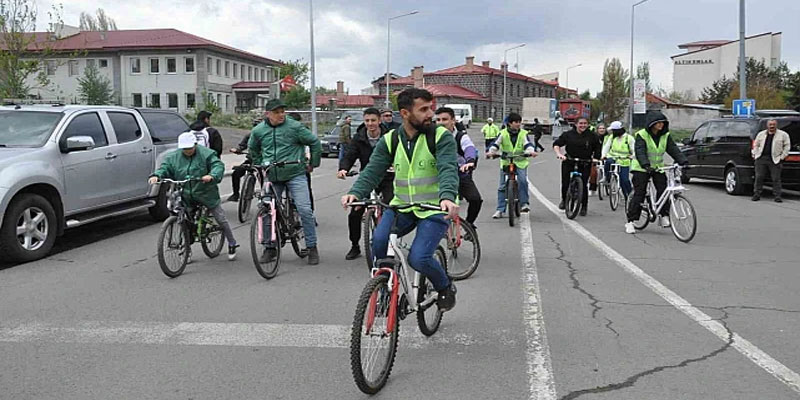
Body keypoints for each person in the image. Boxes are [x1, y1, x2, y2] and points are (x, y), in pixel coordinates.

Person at [341, 88, 460, 312]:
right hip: (402, 207)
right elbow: (372, 171)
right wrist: (356, 192)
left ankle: (445, 287)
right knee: (378, 240)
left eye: (431, 108)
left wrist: (446, 197)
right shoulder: (391, 139)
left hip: (434, 208)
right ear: (405, 113)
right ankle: (384, 290)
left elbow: (448, 170)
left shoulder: (440, 137)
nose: (430, 114)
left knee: (419, 258)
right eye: (423, 109)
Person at [249, 99, 322, 265]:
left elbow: (314, 142)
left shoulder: (294, 127)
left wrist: (313, 163)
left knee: (304, 209)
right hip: (272, 175)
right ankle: (269, 247)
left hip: (295, 173)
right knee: (266, 209)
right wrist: (260, 163)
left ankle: (311, 246)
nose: (281, 115)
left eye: (283, 111)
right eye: (277, 112)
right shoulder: (259, 130)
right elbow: (253, 148)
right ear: (267, 114)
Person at [149, 132, 238, 260]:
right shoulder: (173, 157)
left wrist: (212, 175)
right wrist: (156, 175)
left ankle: (232, 242)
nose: (187, 151)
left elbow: (217, 165)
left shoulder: (207, 154)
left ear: (195, 145)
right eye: (184, 149)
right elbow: (165, 167)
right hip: (186, 194)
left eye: (190, 148)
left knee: (220, 218)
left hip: (206, 193)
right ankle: (186, 249)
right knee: (184, 220)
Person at [337, 108, 393, 260]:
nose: (370, 124)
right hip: (367, 179)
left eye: (373, 120)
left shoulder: (390, 136)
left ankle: (392, 244)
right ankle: (355, 245)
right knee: (355, 212)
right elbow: (350, 154)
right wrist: (343, 169)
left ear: (379, 120)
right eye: (367, 121)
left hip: (388, 177)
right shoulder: (359, 137)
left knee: (392, 208)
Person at [625, 111, 688, 234]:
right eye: (658, 123)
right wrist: (646, 165)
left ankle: (663, 216)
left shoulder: (665, 135)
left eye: (663, 123)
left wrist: (683, 161)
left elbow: (673, 149)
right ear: (651, 124)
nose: (661, 125)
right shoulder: (641, 135)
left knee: (663, 189)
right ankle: (630, 221)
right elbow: (640, 151)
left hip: (658, 167)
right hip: (641, 168)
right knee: (640, 193)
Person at [435, 107, 483, 224]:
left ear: (453, 120)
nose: (441, 123)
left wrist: (470, 161)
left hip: (459, 173)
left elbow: (469, 148)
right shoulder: (432, 136)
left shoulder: (460, 136)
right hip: (438, 175)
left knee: (475, 199)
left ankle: (469, 225)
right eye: (438, 120)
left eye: (445, 119)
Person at [487, 112, 538, 218]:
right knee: (502, 186)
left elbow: (527, 144)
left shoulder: (523, 133)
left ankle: (524, 203)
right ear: (510, 123)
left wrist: (531, 151)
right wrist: (491, 152)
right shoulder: (503, 133)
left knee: (523, 181)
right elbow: (495, 144)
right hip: (506, 161)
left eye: (519, 122)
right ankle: (500, 209)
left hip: (520, 161)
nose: (518, 124)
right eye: (516, 122)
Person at [553, 117, 602, 216]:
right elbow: (557, 144)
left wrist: (596, 158)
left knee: (583, 184)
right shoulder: (568, 134)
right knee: (565, 182)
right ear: (576, 124)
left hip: (585, 161)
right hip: (569, 160)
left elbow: (597, 147)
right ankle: (564, 200)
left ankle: (583, 206)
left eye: (585, 123)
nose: (583, 125)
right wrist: (559, 154)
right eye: (581, 123)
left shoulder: (592, 136)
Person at [752, 119, 791, 202]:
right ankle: (757, 194)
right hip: (761, 158)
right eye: (770, 124)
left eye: (773, 124)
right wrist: (755, 154)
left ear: (776, 125)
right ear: (767, 125)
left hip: (775, 159)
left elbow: (787, 146)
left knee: (776, 178)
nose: (772, 126)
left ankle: (777, 196)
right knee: (759, 177)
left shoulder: (783, 135)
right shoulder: (761, 134)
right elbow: (756, 144)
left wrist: (782, 157)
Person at [601, 121, 634, 199]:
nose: (612, 132)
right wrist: (603, 155)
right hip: (613, 157)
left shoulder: (629, 138)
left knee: (624, 180)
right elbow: (606, 147)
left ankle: (629, 196)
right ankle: (607, 178)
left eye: (613, 130)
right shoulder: (612, 137)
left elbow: (634, 150)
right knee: (608, 162)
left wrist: (632, 156)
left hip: (624, 161)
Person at [226, 133, 251, 202]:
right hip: (251, 160)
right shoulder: (250, 135)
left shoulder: (269, 134)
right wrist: (238, 150)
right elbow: (242, 145)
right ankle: (235, 194)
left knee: (266, 178)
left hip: (264, 160)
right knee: (236, 173)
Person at [588, 123, 609, 195]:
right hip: (596, 156)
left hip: (606, 156)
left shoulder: (609, 137)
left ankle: (609, 183)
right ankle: (592, 188)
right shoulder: (593, 137)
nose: (602, 130)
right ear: (597, 129)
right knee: (593, 173)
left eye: (603, 128)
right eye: (600, 128)